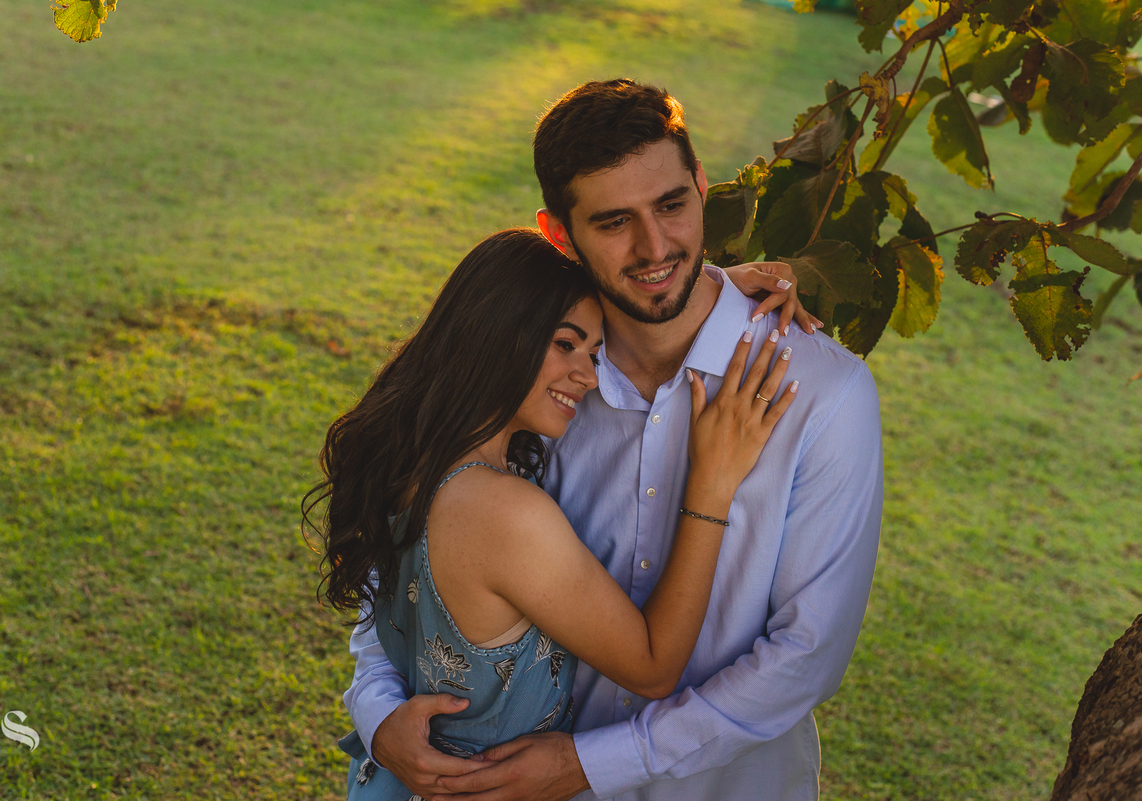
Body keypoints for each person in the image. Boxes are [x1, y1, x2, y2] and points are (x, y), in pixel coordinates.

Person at [346, 79, 883, 801]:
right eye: (613, 222)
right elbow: (407, 563)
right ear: (559, 234)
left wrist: (591, 762)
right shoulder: (545, 379)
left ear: (700, 187)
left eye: (671, 205)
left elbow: (804, 655)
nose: (655, 246)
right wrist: (377, 712)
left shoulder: (825, 393)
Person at [305, 227, 798, 800]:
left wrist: (713, 297)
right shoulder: (504, 514)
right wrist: (712, 487)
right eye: (565, 345)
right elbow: (653, 665)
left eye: (593, 353)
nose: (588, 377)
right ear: (496, 331)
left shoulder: (405, 460)